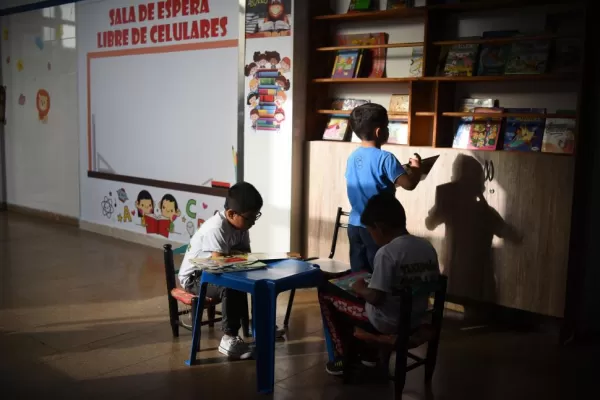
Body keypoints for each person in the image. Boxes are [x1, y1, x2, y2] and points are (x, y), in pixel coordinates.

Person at [318, 193, 440, 375]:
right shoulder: (426, 246)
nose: (371, 236)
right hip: (417, 316)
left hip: (388, 322)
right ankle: (369, 354)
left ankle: (343, 357)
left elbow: (376, 297)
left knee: (327, 294)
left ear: (380, 228)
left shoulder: (387, 253)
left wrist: (359, 288)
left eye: (370, 231)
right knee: (357, 289)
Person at [178, 182, 283, 359]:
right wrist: (234, 256)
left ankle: (255, 325)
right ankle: (229, 338)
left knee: (256, 279)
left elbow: (244, 254)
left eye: (256, 216)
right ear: (231, 214)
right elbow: (220, 265)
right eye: (250, 218)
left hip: (214, 269)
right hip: (195, 277)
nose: (253, 222)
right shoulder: (216, 228)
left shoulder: (242, 226)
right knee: (231, 285)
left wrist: (235, 256)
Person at [345, 103, 423, 272]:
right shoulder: (386, 158)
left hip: (354, 224)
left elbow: (371, 182)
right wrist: (416, 169)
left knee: (359, 272)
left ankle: (359, 297)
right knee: (380, 270)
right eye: (387, 126)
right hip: (378, 227)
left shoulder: (353, 157)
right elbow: (408, 185)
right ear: (379, 132)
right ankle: (377, 298)